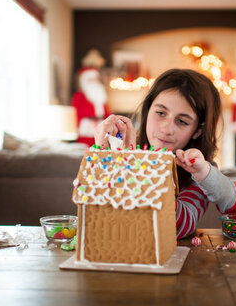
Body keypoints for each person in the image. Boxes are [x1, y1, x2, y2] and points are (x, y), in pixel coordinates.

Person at [94, 68, 222, 239]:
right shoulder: (118, 153)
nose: (166, 129)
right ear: (148, 111)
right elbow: (95, 215)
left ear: (197, 131)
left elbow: (178, 227)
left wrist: (133, 164)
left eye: (182, 121)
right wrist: (105, 156)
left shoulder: (201, 172)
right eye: (161, 113)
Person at [71, 67, 111, 147]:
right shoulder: (79, 96)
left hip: (100, 128)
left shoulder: (101, 96)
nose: (94, 82)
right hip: (86, 130)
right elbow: (75, 114)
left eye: (96, 79)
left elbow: (107, 113)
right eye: (91, 79)